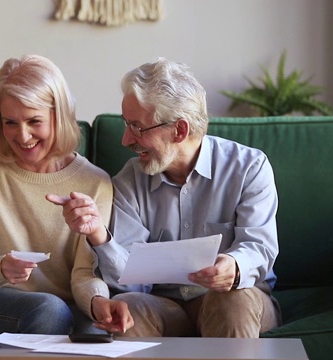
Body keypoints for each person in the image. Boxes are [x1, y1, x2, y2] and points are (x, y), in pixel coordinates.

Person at [47, 58, 281, 338]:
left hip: (238, 298)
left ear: (179, 130)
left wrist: (234, 266)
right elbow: (131, 282)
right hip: (167, 306)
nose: (125, 140)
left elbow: (260, 248)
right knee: (128, 307)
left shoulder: (248, 167)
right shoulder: (129, 180)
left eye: (137, 127)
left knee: (231, 298)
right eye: (125, 124)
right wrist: (100, 235)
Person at [0, 54, 133, 335]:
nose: (22, 136)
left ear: (58, 117)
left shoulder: (95, 183)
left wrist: (99, 301)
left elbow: (84, 274)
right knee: (50, 310)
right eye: (10, 122)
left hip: (65, 308)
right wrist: (0, 269)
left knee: (95, 330)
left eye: (34, 121)